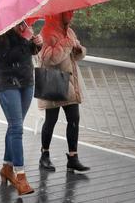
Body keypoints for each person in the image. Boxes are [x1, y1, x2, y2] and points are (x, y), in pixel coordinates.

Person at [0, 20, 43, 195]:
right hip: (7, 82)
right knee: (17, 128)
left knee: (14, 126)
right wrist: (23, 37)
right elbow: (6, 55)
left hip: (26, 81)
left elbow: (27, 53)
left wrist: (36, 45)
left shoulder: (23, 26)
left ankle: (6, 167)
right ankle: (21, 177)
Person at [37, 10, 90, 173]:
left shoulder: (69, 31)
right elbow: (49, 58)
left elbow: (75, 56)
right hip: (53, 81)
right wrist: (67, 43)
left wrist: (79, 50)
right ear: (58, 14)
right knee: (51, 120)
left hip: (70, 83)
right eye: (68, 13)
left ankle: (73, 157)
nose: (71, 16)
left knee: (74, 118)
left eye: (71, 13)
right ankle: (44, 155)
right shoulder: (46, 33)